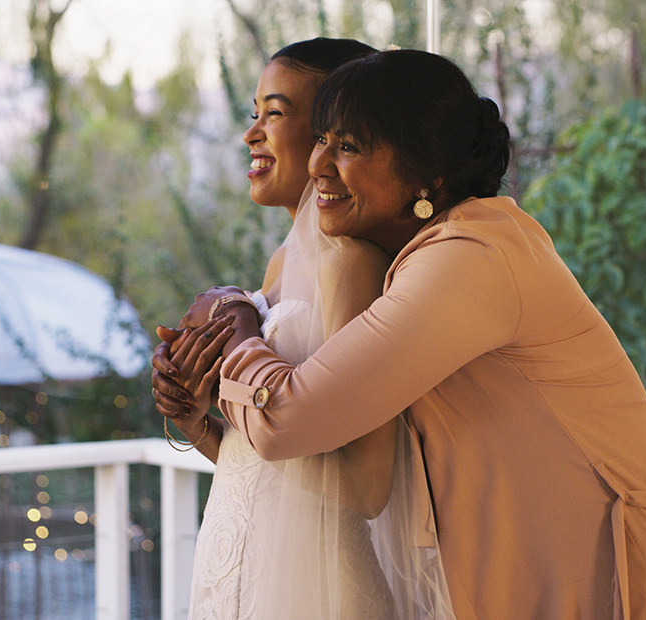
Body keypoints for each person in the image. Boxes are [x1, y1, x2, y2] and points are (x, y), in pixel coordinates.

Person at [170, 49, 646, 619]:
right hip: (540, 559)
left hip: (625, 559)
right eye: (322, 139)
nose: (319, 166)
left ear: (427, 175)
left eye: (349, 146)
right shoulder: (409, 260)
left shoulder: (471, 258)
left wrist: (237, 324)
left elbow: (289, 416)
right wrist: (206, 424)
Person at [151, 40, 454, 619]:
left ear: (331, 131)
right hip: (247, 567)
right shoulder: (282, 264)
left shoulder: (352, 265)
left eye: (275, 112)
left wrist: (240, 346)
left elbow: (364, 492)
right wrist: (201, 423)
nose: (252, 133)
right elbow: (270, 473)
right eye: (253, 114)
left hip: (316, 593)